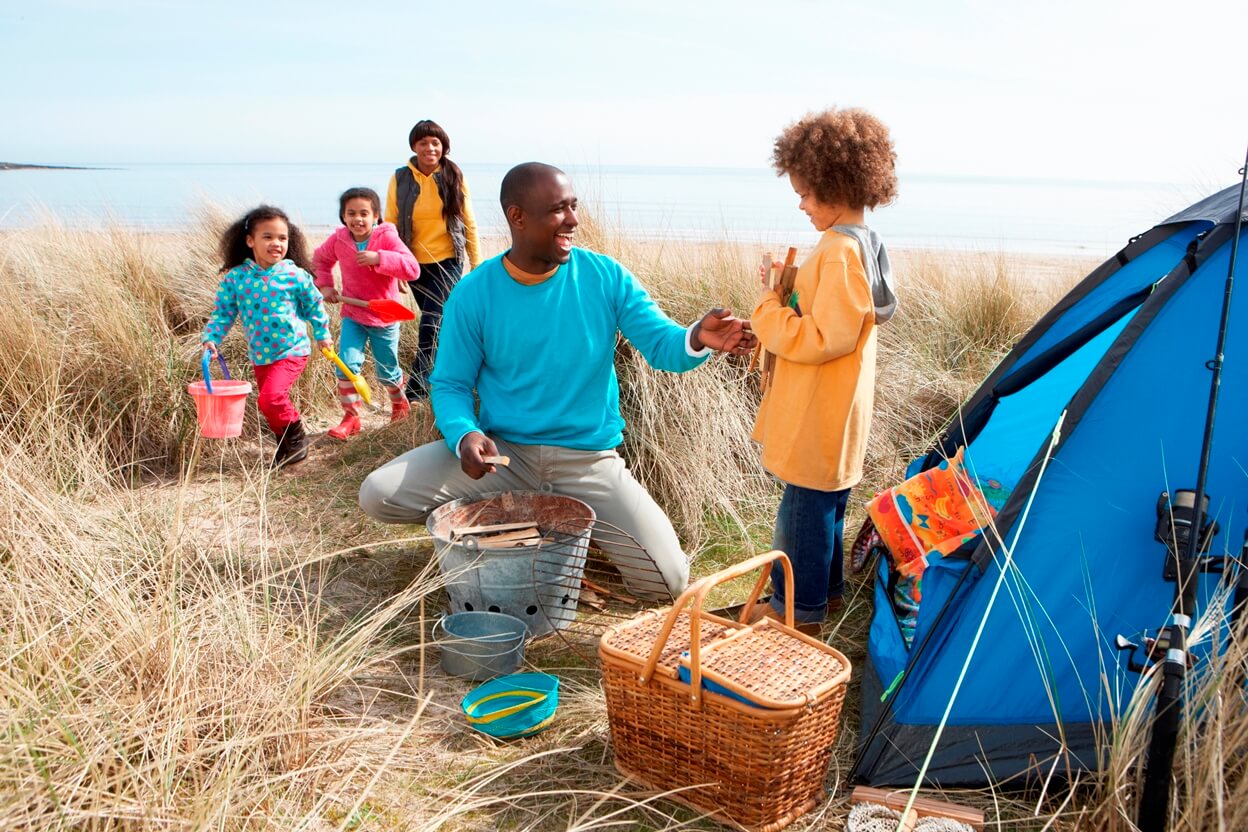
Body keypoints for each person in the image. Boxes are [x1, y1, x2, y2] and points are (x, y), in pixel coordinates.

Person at [360, 162, 756, 596]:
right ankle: (509, 527)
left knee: (667, 582)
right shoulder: (474, 292)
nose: (573, 220)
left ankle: (563, 534)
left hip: (588, 463)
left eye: (573, 206)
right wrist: (464, 435)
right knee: (379, 493)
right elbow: (451, 383)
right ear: (518, 217)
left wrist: (697, 336)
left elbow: (664, 346)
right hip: (503, 459)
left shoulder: (604, 276)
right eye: (557, 210)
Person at [749, 107, 898, 635]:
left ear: (836, 188)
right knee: (827, 505)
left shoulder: (837, 252)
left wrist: (769, 308)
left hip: (818, 410)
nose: (801, 202)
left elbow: (822, 337)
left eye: (807, 192)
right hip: (839, 407)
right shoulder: (864, 243)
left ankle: (798, 610)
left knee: (802, 516)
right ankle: (826, 593)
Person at [202, 205, 333, 467]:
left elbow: (314, 307)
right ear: (250, 241)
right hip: (260, 354)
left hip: (292, 350)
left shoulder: (294, 275)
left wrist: (322, 335)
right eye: (268, 237)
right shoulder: (236, 278)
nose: (276, 243)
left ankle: (296, 440)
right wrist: (212, 337)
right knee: (269, 404)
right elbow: (223, 313)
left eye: (282, 238)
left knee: (270, 398)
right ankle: (285, 448)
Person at [384, 119, 482, 402]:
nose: (430, 148)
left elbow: (469, 222)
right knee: (441, 326)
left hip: (448, 261)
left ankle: (416, 390)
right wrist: (394, 268)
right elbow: (389, 224)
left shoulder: (453, 176)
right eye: (424, 142)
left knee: (431, 323)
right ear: (414, 146)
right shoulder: (400, 178)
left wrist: (476, 264)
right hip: (412, 264)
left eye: (435, 143)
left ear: (443, 147)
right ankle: (451, 376)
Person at [314, 187, 422, 439]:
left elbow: (412, 269)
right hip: (353, 314)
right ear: (343, 216)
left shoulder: (386, 237)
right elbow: (320, 259)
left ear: (376, 216)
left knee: (387, 370)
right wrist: (326, 285)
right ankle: (351, 417)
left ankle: (399, 404)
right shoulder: (339, 239)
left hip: (385, 316)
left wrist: (380, 258)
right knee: (346, 366)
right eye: (351, 213)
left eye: (364, 213)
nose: (357, 219)